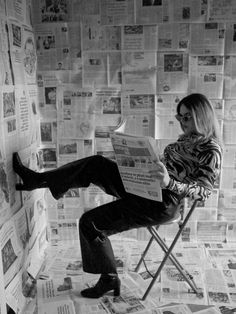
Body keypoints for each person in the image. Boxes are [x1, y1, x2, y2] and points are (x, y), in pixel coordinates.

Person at [12, 93, 222, 299]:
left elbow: (204, 191)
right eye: (180, 117)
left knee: (90, 222)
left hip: (163, 204)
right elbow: (167, 168)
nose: (182, 122)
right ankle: (38, 180)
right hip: (148, 188)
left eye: (187, 117)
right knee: (96, 164)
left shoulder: (211, 149)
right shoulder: (184, 140)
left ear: (201, 116)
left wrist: (169, 183)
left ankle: (109, 279)